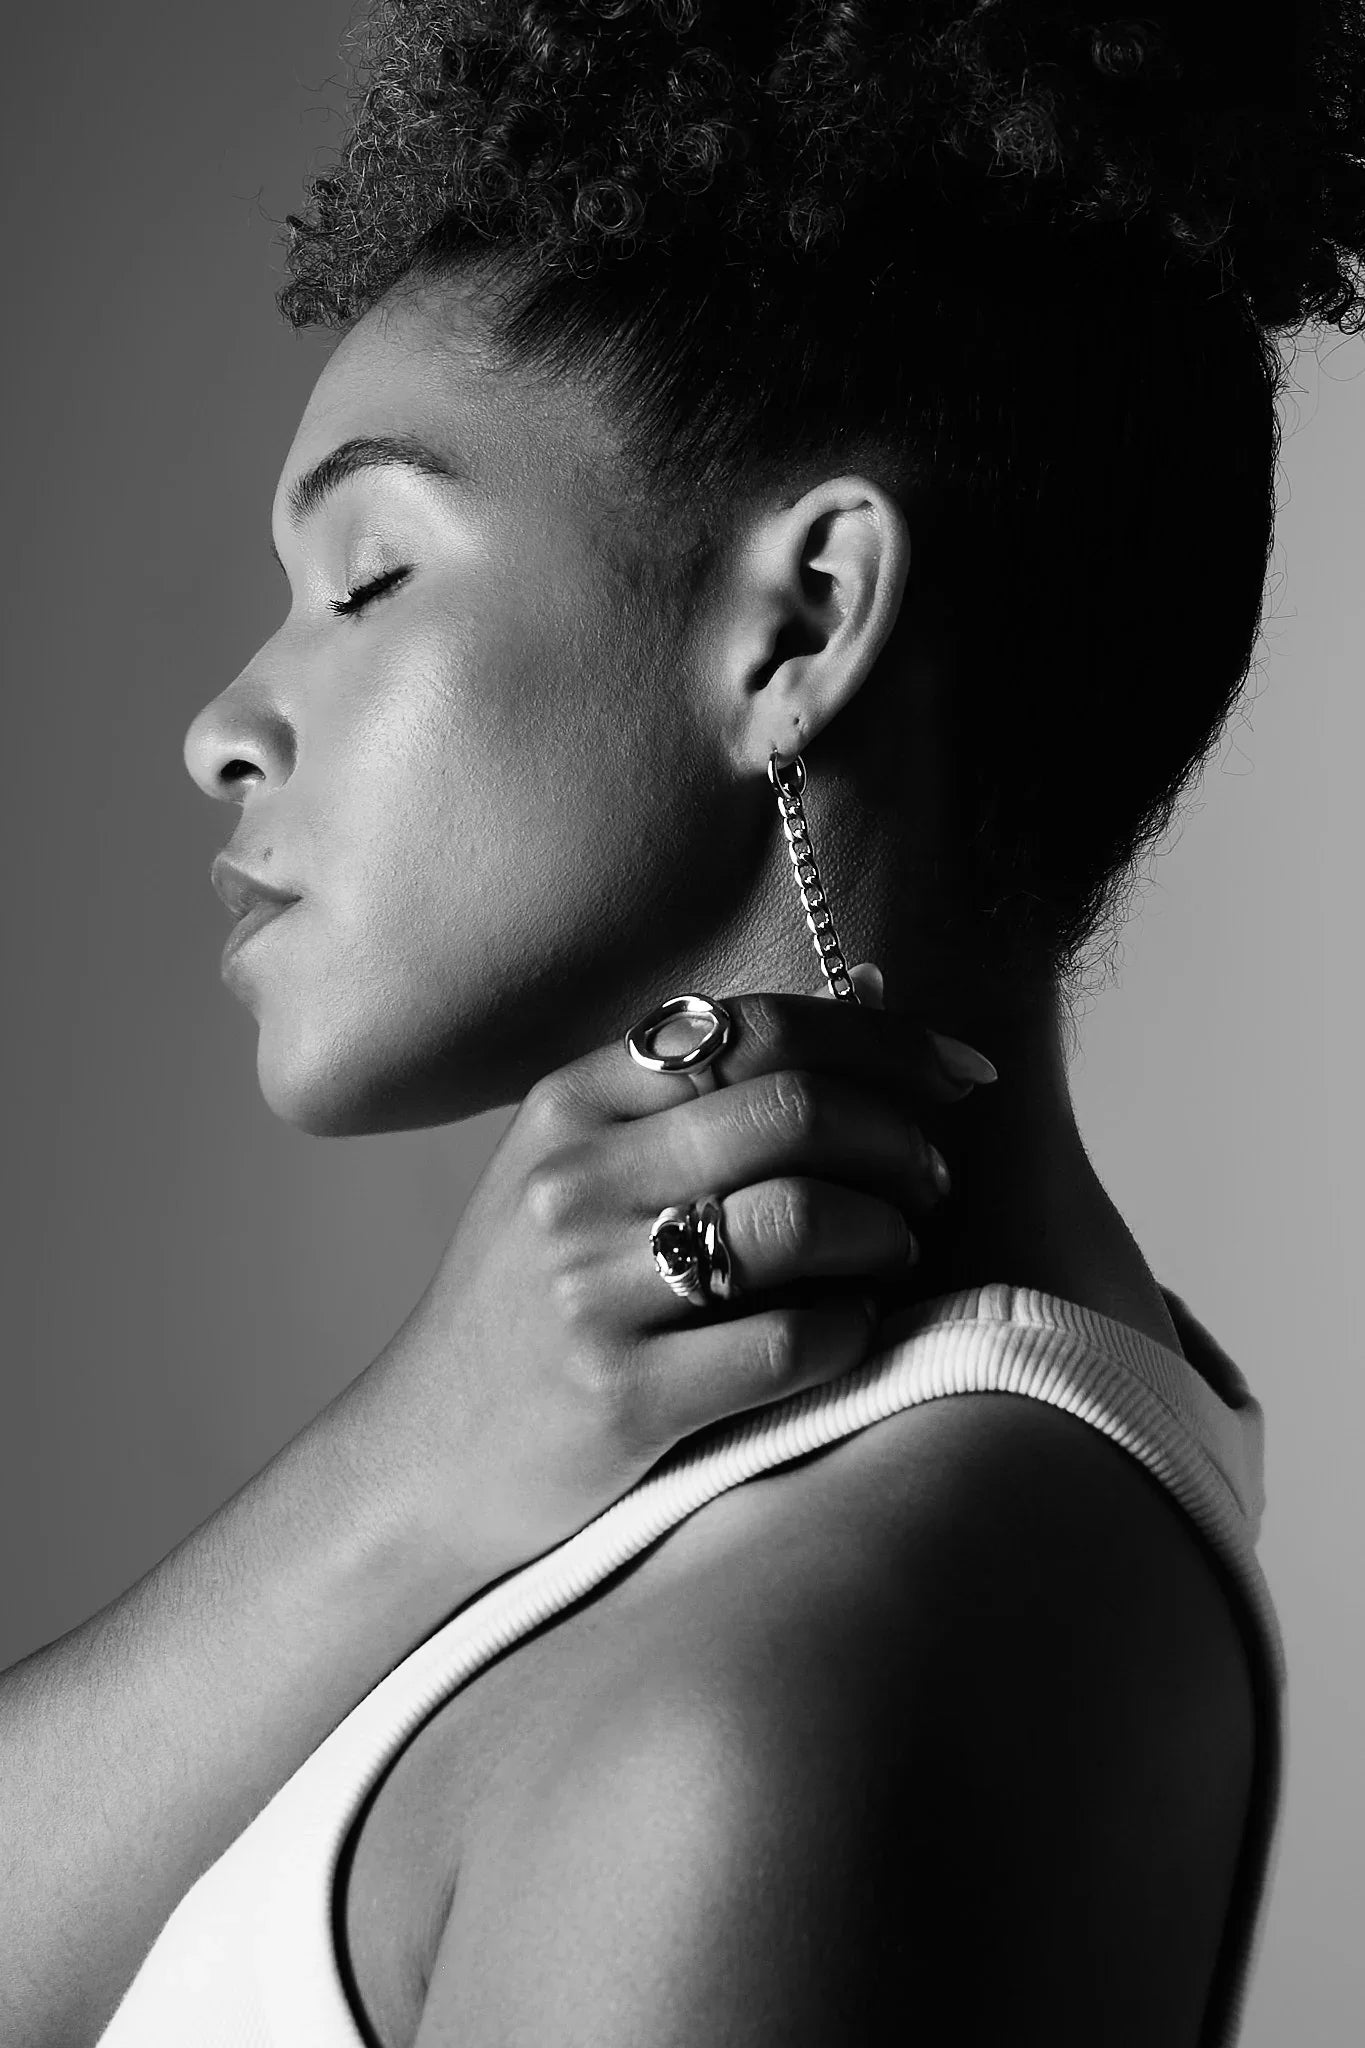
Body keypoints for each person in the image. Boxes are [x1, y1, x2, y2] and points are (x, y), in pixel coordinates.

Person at [9, 2, 1358, 2042]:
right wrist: (409, 1472)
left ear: (803, 619)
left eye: (367, 577)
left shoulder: (796, 1680)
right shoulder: (720, 1506)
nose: (220, 728)